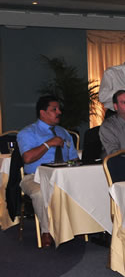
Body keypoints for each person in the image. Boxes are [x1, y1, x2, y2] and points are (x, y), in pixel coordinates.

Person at [17, 96, 79, 248]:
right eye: (54, 109)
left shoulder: (64, 132)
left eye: (59, 109)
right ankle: (46, 231)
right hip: (34, 177)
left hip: (62, 176)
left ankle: (82, 227)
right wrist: (48, 144)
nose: (59, 112)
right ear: (42, 113)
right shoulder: (27, 133)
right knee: (39, 192)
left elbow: (74, 159)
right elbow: (27, 158)